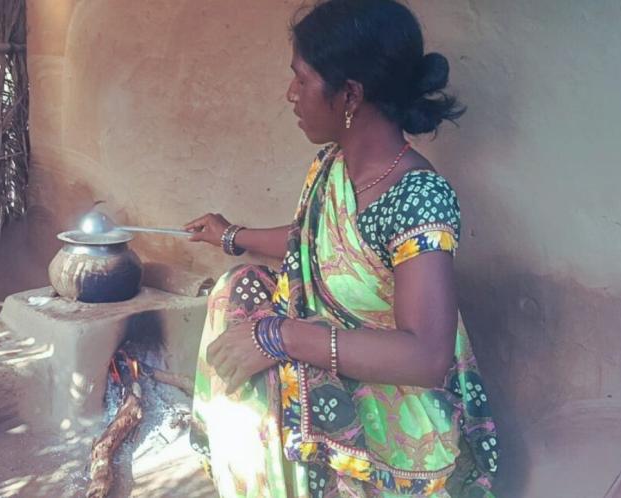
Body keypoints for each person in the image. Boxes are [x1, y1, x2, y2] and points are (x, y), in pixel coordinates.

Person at [182, 1, 499, 497]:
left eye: (302, 80)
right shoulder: (333, 166)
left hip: (394, 411)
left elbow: (426, 355)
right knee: (238, 289)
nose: (290, 94)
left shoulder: (417, 198)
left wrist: (279, 337)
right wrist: (231, 235)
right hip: (335, 353)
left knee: (261, 343)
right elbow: (318, 242)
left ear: (349, 94)